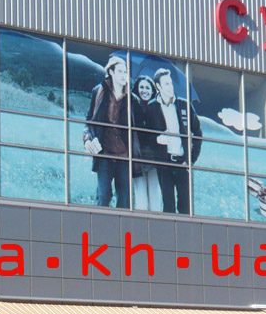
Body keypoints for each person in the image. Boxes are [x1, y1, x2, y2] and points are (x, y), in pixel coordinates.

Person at [143, 68, 202, 214]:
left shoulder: (184, 105)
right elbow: (145, 136)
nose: (170, 87)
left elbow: (198, 133)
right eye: (166, 84)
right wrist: (157, 139)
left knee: (186, 206)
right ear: (158, 87)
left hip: (183, 163)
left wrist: (191, 159)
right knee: (168, 205)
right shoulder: (151, 108)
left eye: (170, 83)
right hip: (164, 164)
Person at [83, 55, 132, 209]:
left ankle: (122, 224)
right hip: (105, 153)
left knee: (125, 199)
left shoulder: (131, 99)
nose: (124, 75)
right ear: (111, 72)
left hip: (124, 155)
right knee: (104, 195)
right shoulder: (99, 92)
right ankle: (100, 222)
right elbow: (89, 120)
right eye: (120, 71)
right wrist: (88, 139)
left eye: (125, 72)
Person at [130, 75, 163, 212]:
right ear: (137, 89)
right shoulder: (132, 108)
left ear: (153, 91)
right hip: (138, 162)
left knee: (155, 204)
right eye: (142, 87)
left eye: (148, 88)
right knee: (141, 203)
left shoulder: (158, 109)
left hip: (155, 162)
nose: (144, 91)